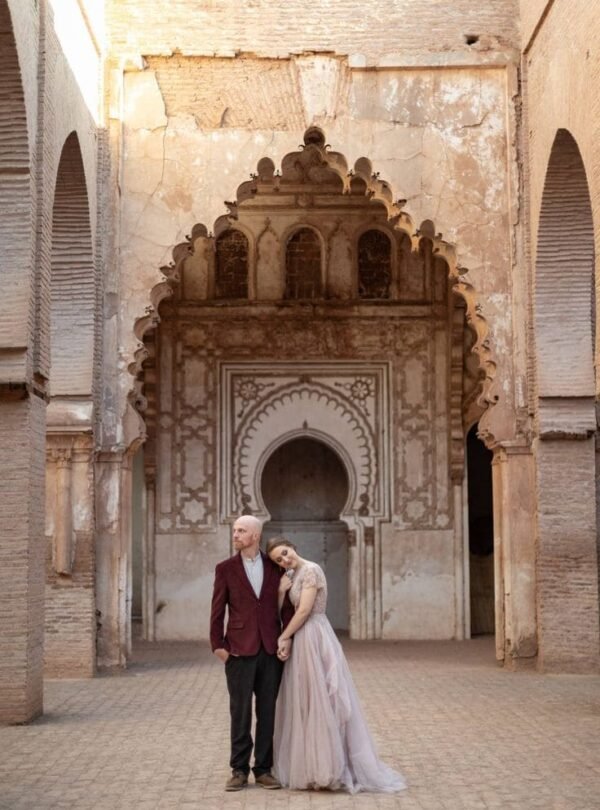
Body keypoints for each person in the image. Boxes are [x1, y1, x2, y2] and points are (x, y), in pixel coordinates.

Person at [266, 536, 407, 794]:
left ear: (293, 547)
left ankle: (331, 766)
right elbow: (280, 611)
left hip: (314, 635)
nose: (284, 559)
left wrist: (284, 636)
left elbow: (305, 610)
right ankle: (314, 765)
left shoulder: (311, 570)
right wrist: (279, 592)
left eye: (285, 553)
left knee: (325, 699)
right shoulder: (292, 576)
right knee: (308, 701)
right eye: (278, 559)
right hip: (302, 637)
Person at [210, 516, 294, 792]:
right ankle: (238, 769)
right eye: (234, 530)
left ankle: (263, 769)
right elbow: (217, 610)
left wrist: (286, 638)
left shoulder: (275, 567)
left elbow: (285, 607)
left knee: (268, 711)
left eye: (241, 531)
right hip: (238, 651)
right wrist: (219, 647)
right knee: (240, 712)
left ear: (255, 535)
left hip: (270, 650)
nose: (235, 535)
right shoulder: (225, 569)